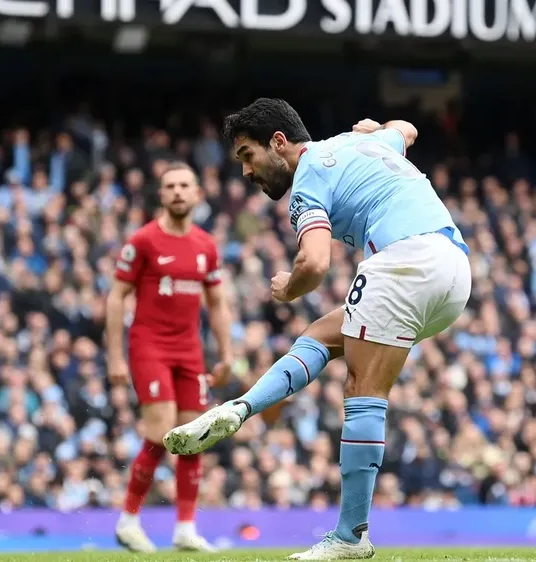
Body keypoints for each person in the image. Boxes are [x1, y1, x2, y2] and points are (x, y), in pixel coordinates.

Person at [163, 99, 472, 560]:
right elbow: (406, 129)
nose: (246, 172)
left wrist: (288, 287)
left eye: (247, 155)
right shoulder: (355, 143)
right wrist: (379, 126)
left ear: (279, 142)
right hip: (454, 270)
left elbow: (315, 262)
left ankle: (350, 537)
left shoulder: (307, 179)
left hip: (405, 259)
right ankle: (243, 407)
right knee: (325, 335)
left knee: (361, 388)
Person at [107, 162, 233, 552]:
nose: (177, 191)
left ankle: (184, 529)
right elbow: (115, 297)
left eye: (184, 185)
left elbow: (217, 302)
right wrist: (115, 356)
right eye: (170, 186)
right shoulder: (143, 241)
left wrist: (227, 353)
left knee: (193, 436)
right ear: (161, 195)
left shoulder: (205, 246)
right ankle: (128, 519)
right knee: (161, 428)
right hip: (149, 346)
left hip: (190, 351)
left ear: (197, 194)